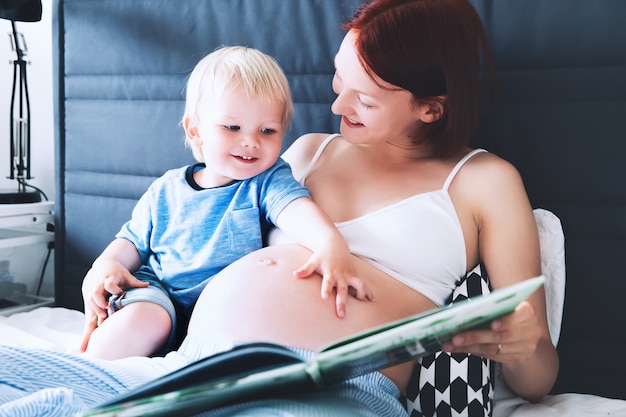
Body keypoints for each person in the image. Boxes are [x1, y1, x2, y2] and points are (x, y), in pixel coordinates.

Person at [0, 0, 558, 415]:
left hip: (325, 388)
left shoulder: (484, 182)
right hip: (198, 369)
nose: (337, 103)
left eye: (364, 98)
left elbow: (537, 378)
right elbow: (186, 219)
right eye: (340, 79)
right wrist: (117, 267)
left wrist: (524, 341)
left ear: (431, 109)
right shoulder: (307, 150)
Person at [79, 46, 373, 360]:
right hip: (158, 292)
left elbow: (297, 210)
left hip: (221, 309)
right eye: (232, 127)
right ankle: (89, 375)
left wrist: (330, 243)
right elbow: (131, 243)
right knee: (145, 321)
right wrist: (105, 265)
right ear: (196, 130)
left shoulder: (266, 181)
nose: (251, 141)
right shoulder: (165, 189)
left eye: (267, 130)